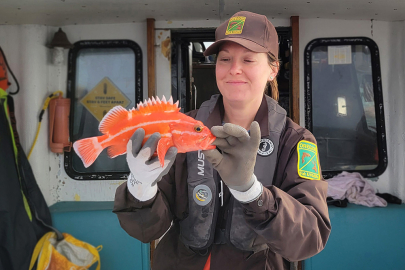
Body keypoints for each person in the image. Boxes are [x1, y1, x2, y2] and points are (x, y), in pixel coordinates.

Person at [113, 11, 331, 270]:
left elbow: (309, 238)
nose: (234, 69)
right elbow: (146, 230)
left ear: (273, 70)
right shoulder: (181, 129)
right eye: (225, 58)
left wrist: (252, 192)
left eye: (248, 59)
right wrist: (140, 185)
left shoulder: (294, 141)